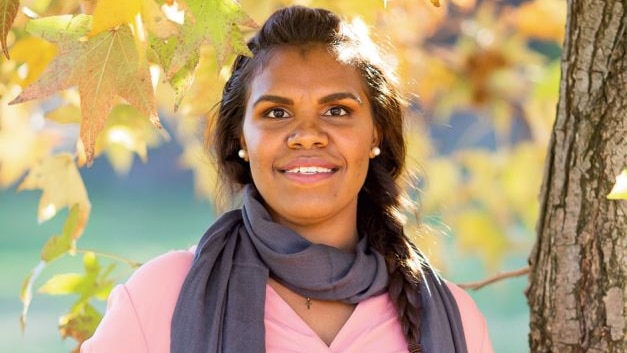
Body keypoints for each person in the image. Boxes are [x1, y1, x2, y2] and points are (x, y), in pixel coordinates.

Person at [81, 5, 493, 353]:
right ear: (241, 138)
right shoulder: (160, 296)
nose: (308, 134)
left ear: (376, 134)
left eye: (337, 111)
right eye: (276, 113)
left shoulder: (454, 319)